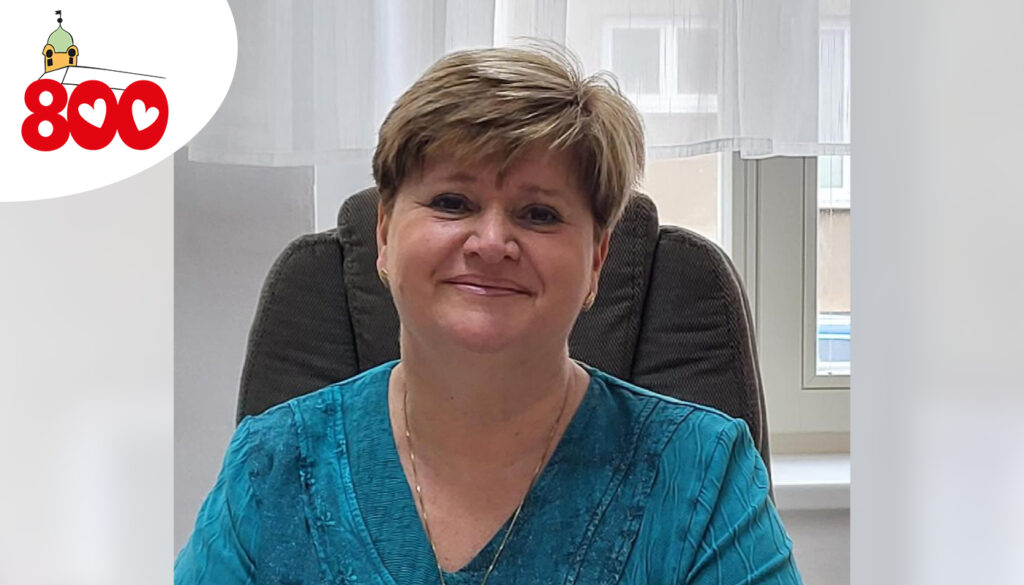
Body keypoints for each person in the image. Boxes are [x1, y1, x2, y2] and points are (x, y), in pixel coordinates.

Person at [174, 44, 803, 584]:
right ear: (385, 235)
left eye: (539, 214)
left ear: (596, 261)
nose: (492, 243)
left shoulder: (700, 472)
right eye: (452, 202)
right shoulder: (271, 466)